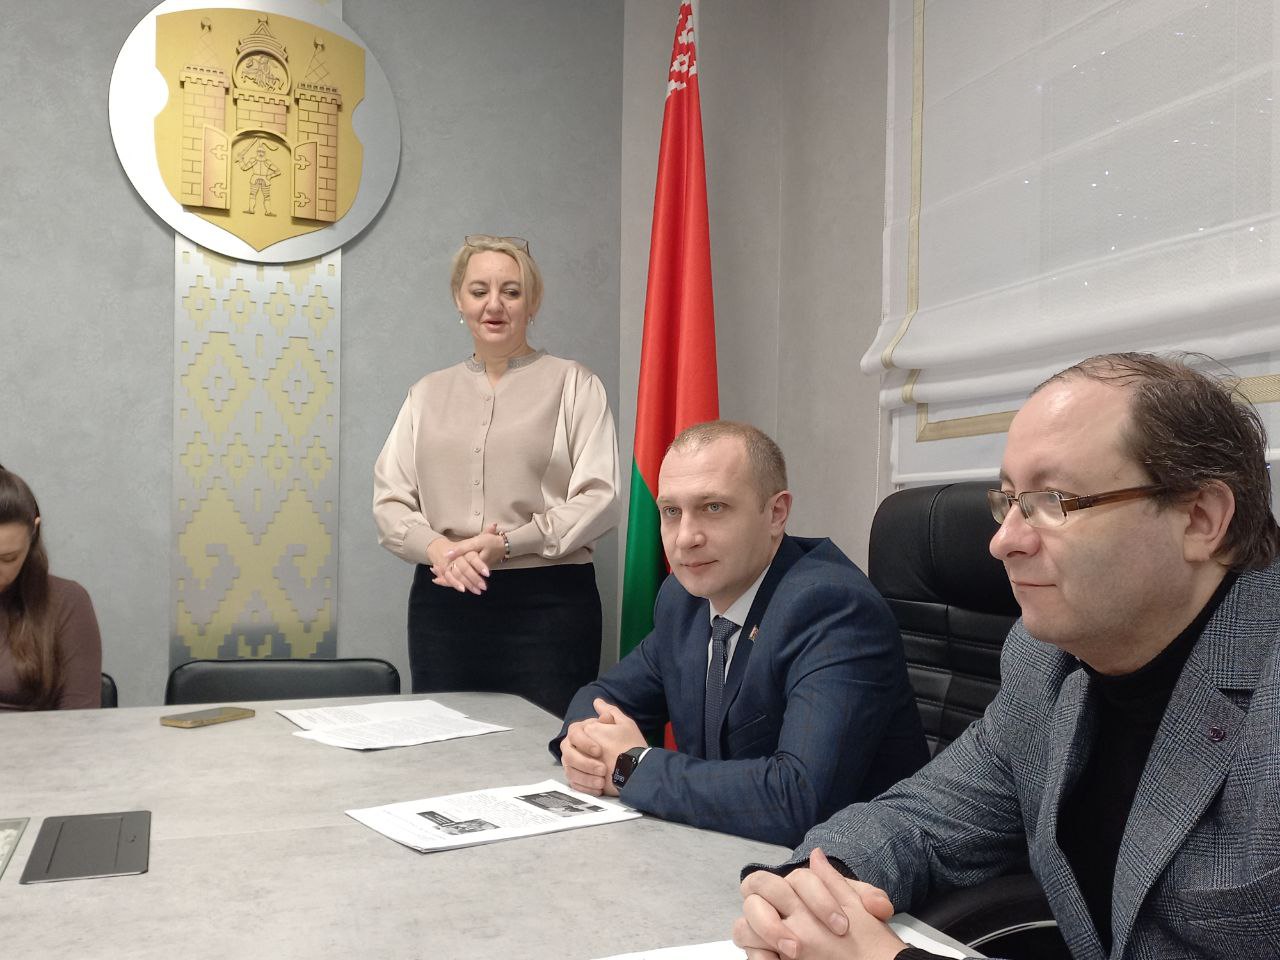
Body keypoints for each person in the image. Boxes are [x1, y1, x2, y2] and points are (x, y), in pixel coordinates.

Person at [734, 353, 1280, 960]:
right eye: (1010, 500)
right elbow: (924, 820)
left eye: (1054, 500)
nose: (1002, 542)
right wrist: (815, 888)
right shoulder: (1045, 659)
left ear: (1200, 519)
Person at [551, 421, 927, 847]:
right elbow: (601, 697)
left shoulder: (832, 608)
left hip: (843, 870)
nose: (685, 538)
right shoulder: (683, 598)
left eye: (713, 507)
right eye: (671, 512)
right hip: (717, 851)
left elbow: (797, 799)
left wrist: (634, 766)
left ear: (776, 513)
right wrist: (585, 747)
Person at [373, 235, 620, 716]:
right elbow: (390, 501)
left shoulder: (575, 383)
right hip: (444, 603)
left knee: (545, 743)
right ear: (458, 300)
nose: (494, 305)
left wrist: (509, 543)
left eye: (511, 291)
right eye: (478, 290)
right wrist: (440, 550)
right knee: (444, 740)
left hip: (549, 606)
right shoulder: (425, 393)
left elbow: (600, 497)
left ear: (533, 303)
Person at [0, 465, 102, 710]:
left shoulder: (66, 602)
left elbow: (79, 718)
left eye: (8, 558)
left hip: (41, 736)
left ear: (33, 533)